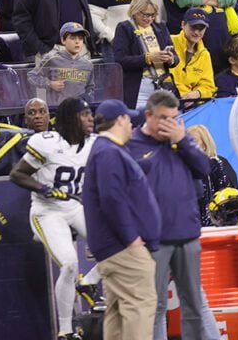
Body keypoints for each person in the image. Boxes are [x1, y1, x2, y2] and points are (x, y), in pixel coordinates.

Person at [126, 90, 218, 340]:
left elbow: (203, 168)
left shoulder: (181, 141)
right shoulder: (131, 146)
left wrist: (183, 140)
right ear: (148, 115)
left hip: (187, 235)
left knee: (194, 303)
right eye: (164, 118)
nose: (171, 123)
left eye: (175, 118)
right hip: (152, 240)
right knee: (154, 308)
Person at [9, 97, 97, 340]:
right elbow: (17, 174)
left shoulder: (93, 143)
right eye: (85, 114)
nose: (90, 119)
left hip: (74, 205)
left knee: (116, 245)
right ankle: (66, 331)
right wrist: (42, 188)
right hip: (47, 210)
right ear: (71, 118)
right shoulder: (47, 142)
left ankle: (88, 283)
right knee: (69, 264)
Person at [83, 100, 159, 340]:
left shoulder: (108, 151)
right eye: (129, 120)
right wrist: (131, 238)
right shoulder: (108, 151)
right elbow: (111, 198)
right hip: (123, 248)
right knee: (140, 305)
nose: (132, 125)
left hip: (114, 247)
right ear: (120, 120)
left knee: (117, 313)